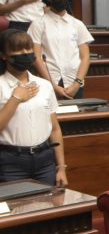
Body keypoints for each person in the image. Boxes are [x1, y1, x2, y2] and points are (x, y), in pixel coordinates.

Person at [0, 30, 67, 187]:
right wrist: (15, 99)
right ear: (4, 55)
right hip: (10, 161)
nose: (25, 53)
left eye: (28, 48)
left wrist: (61, 168)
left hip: (45, 160)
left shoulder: (44, 85)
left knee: (48, 207)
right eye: (18, 49)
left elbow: (55, 129)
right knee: (18, 210)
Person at [28, 0, 93, 100]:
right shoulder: (38, 24)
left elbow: (85, 57)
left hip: (74, 81)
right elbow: (36, 57)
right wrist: (52, 85)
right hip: (48, 81)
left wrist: (77, 83)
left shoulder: (77, 24)